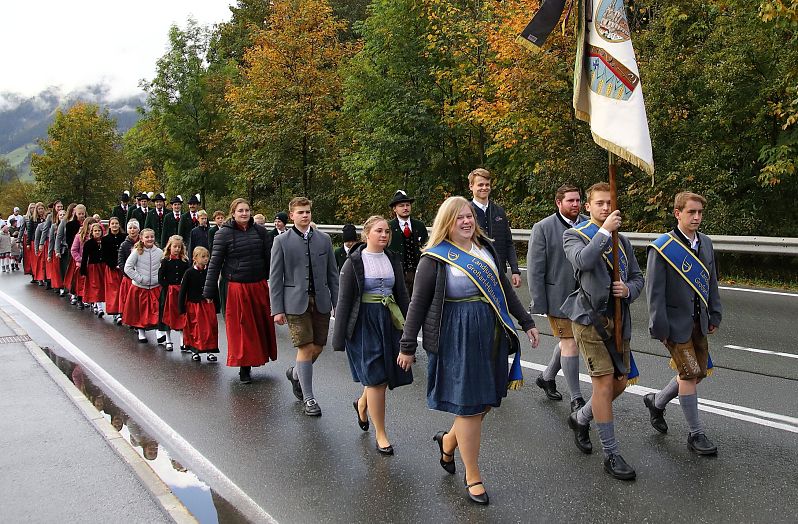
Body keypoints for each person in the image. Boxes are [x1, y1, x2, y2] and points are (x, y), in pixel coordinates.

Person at [399, 196, 540, 505]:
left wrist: (526, 321)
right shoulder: (434, 259)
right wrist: (407, 346)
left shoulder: (484, 250)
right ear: (446, 223)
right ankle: (472, 475)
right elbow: (417, 305)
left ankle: (448, 442)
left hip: (490, 333)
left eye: (469, 217)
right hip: (457, 336)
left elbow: (503, 288)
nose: (466, 221)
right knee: (471, 407)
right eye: (458, 217)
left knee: (485, 401)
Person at [561, 182, 645, 481]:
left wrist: (629, 290)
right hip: (589, 319)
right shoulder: (575, 235)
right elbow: (583, 261)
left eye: (610, 203)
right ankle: (611, 454)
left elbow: (637, 277)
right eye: (599, 203)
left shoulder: (622, 240)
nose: (606, 208)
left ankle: (581, 418)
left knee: (620, 383)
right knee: (604, 386)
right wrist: (603, 231)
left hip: (619, 320)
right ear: (588, 207)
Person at [644, 192, 723, 455]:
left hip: (699, 321)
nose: (697, 217)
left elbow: (711, 282)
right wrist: (660, 327)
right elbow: (654, 292)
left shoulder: (707, 243)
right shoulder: (662, 247)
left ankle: (657, 402)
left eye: (700, 212)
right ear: (678, 213)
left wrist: (714, 313)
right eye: (691, 212)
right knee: (689, 374)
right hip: (674, 325)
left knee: (697, 373)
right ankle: (695, 434)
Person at [332, 216, 412, 455]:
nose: (384, 235)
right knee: (375, 377)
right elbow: (344, 301)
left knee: (382, 374)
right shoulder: (354, 262)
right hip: (364, 321)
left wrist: (409, 326)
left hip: (389, 319)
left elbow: (402, 294)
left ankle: (362, 403)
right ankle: (381, 433)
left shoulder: (392, 259)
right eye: (379, 231)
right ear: (367, 234)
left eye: (387, 231)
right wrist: (338, 338)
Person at [270, 196, 339, 415]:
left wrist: (338, 303)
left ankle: (296, 374)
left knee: (318, 347)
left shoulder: (324, 239)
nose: (305, 215)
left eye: (307, 211)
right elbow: (275, 276)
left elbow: (333, 274)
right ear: (292, 216)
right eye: (300, 212)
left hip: (321, 301)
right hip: (294, 303)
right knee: (305, 347)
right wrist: (277, 309)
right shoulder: (281, 241)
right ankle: (309, 399)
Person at [527, 184, 588, 410]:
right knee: (570, 343)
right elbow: (535, 269)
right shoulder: (543, 227)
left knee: (570, 341)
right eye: (570, 200)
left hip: (585, 298)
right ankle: (576, 398)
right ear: (558, 203)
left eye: (578, 200)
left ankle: (547, 376)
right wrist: (539, 301)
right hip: (558, 298)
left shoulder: (589, 225)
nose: (575, 204)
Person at [204, 198, 277, 383]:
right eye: (240, 211)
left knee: (259, 327)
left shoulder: (261, 232)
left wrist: (277, 283)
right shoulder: (223, 234)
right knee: (242, 329)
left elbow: (271, 260)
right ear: (233, 213)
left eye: (247, 210)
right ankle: (244, 368)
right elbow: (215, 264)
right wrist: (209, 291)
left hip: (258, 285)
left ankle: (257, 359)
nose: (244, 213)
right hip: (237, 287)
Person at [468, 168, 521, 288]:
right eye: (480, 184)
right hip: (474, 272)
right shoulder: (465, 212)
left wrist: (515, 270)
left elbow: (508, 242)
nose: (484, 188)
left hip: (499, 271)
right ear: (471, 186)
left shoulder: (499, 211)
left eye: (487, 185)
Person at [179, 246, 219, 362]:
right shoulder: (189, 273)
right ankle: (195, 350)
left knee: (210, 327)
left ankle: (210, 350)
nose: (206, 259)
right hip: (194, 305)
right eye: (203, 257)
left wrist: (217, 304)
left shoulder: (209, 272)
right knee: (195, 328)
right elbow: (183, 291)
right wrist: (181, 307)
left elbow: (213, 287)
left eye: (207, 256)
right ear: (195, 258)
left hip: (207, 304)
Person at [123, 228, 163, 343]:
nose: (150, 239)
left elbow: (162, 267)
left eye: (152, 237)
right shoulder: (136, 252)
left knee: (156, 310)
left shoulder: (159, 252)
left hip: (155, 287)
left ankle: (158, 332)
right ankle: (141, 332)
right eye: (147, 237)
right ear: (141, 238)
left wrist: (158, 278)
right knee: (140, 311)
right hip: (140, 287)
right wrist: (140, 278)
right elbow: (128, 267)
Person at [387, 190, 428, 296]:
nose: (405, 208)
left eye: (407, 205)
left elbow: (426, 247)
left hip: (418, 272)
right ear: (394, 208)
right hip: (398, 274)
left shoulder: (419, 226)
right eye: (401, 205)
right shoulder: (389, 227)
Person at [158, 235, 190, 351]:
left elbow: (187, 276)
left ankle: (183, 340)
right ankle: (168, 339)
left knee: (181, 314)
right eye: (174, 246)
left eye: (179, 247)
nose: (177, 249)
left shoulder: (185, 261)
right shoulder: (165, 261)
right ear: (169, 247)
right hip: (168, 293)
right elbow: (161, 278)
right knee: (167, 315)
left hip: (181, 292)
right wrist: (168, 287)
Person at [102, 217, 126, 323]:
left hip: (123, 268)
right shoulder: (105, 239)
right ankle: (115, 312)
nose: (115, 225)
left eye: (116, 223)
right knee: (114, 291)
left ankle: (123, 311)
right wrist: (113, 265)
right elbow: (104, 255)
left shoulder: (124, 237)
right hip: (112, 268)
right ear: (110, 225)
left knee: (123, 290)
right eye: (113, 223)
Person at [71, 217, 98, 310]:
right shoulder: (79, 236)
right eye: (90, 225)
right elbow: (74, 250)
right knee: (81, 283)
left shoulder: (96, 238)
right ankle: (79, 299)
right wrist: (81, 260)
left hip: (93, 264)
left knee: (93, 284)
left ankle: (92, 301)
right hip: (82, 263)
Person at [80, 223, 107, 317]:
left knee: (102, 286)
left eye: (99, 231)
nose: (97, 232)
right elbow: (84, 257)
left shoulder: (105, 242)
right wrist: (83, 269)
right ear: (92, 232)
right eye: (95, 231)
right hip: (93, 267)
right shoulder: (88, 243)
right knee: (96, 286)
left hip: (103, 266)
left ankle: (96, 303)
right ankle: (99, 307)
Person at [117, 220, 141, 326]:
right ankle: (124, 315)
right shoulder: (124, 245)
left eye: (135, 228)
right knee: (127, 299)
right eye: (130, 228)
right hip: (128, 277)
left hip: (140, 277)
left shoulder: (143, 244)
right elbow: (121, 262)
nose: (132, 230)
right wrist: (128, 274)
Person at [63, 205, 87, 304]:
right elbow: (68, 240)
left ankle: (84, 294)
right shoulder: (70, 225)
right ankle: (73, 294)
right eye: (79, 214)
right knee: (74, 275)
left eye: (83, 214)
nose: (81, 216)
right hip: (75, 252)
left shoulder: (88, 223)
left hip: (86, 253)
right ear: (75, 214)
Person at [46, 208, 67, 293]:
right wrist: (49, 254)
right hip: (57, 250)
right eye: (60, 215)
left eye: (64, 214)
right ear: (57, 217)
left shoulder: (67, 225)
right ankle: (59, 286)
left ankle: (66, 286)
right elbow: (52, 241)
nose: (62, 216)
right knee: (58, 270)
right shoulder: (54, 226)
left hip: (65, 250)